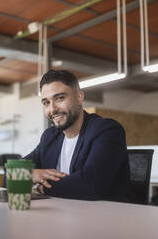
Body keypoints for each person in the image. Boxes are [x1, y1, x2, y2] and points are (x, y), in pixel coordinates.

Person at [25, 70, 132, 202]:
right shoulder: (50, 137)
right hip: (61, 214)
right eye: (46, 102)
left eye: (60, 98)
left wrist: (38, 187)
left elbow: (90, 185)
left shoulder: (107, 130)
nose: (52, 109)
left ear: (79, 97)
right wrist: (29, 173)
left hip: (104, 217)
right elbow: (11, 173)